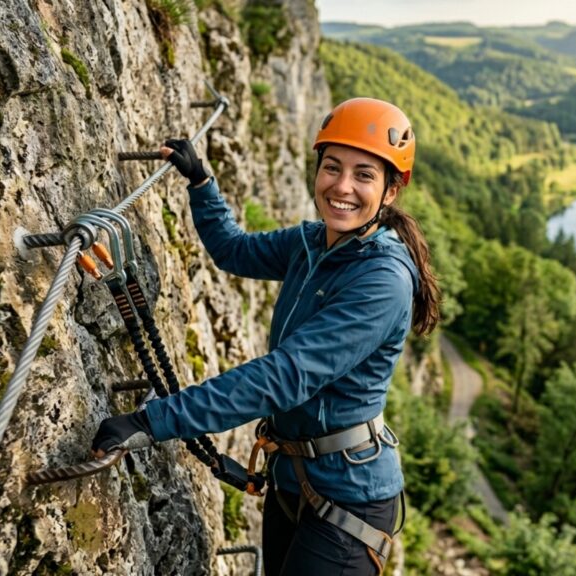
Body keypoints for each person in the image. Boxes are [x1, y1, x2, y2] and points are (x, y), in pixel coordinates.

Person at [91, 97, 440, 575]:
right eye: (332, 167)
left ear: (390, 192)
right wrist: (201, 183)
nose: (341, 187)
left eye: (364, 175)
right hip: (292, 479)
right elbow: (235, 251)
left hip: (350, 501)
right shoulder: (313, 243)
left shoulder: (382, 281)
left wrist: (153, 421)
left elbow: (284, 377)